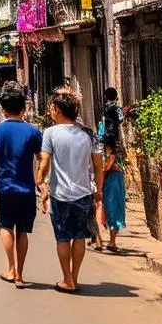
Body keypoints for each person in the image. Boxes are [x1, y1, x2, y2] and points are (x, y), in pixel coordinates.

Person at [36, 90, 104, 293]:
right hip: (84, 193)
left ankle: (67, 278)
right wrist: (99, 190)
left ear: (57, 110)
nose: (50, 111)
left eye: (51, 108)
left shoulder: (50, 133)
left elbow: (45, 161)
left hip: (61, 195)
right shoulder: (88, 134)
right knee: (79, 236)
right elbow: (98, 166)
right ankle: (75, 277)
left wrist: (40, 180)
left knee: (63, 238)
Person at [0, 82, 42, 288]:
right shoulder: (33, 132)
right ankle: (20, 274)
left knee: (6, 227)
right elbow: (43, 159)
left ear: (3, 109)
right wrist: (41, 180)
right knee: (23, 231)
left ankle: (11, 269)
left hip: (4, 189)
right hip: (27, 190)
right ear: (23, 107)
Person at [101, 136, 126, 252]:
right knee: (113, 212)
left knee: (112, 213)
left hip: (112, 189)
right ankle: (112, 242)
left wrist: (99, 173)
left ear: (108, 147)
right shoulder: (117, 158)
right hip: (114, 188)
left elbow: (106, 169)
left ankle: (112, 242)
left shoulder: (112, 157)